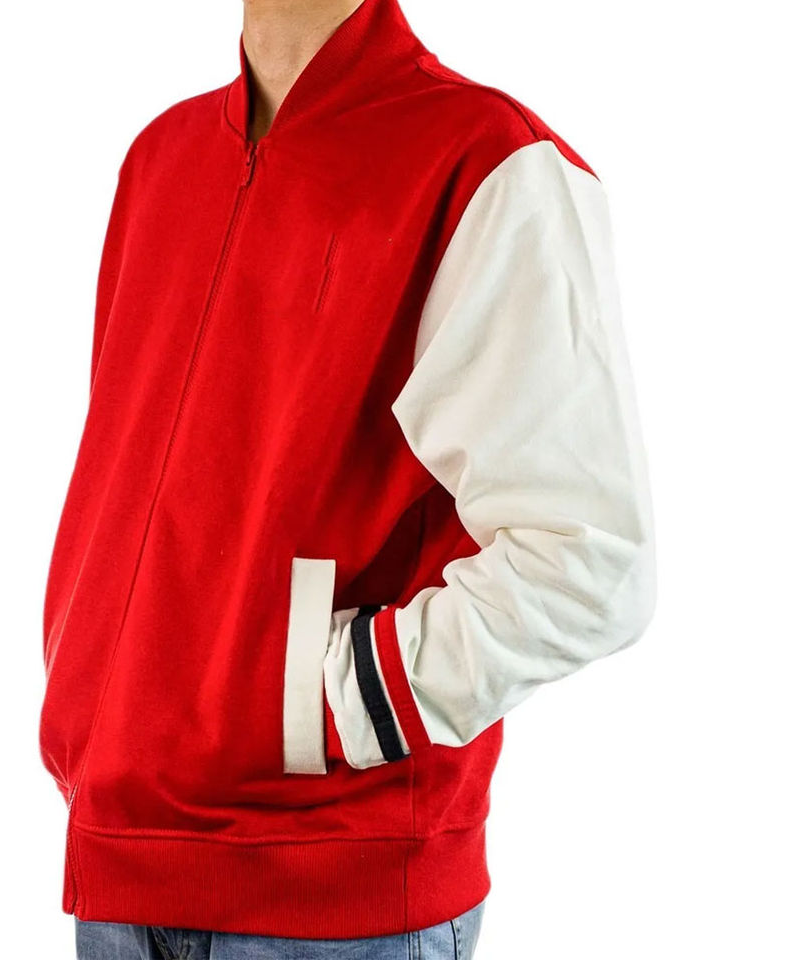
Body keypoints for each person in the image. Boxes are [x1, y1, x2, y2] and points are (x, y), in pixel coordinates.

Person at [39, 0, 657, 956]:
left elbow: (589, 560)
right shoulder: (162, 158)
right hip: (117, 867)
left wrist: (327, 701)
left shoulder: (484, 162)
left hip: (336, 898)